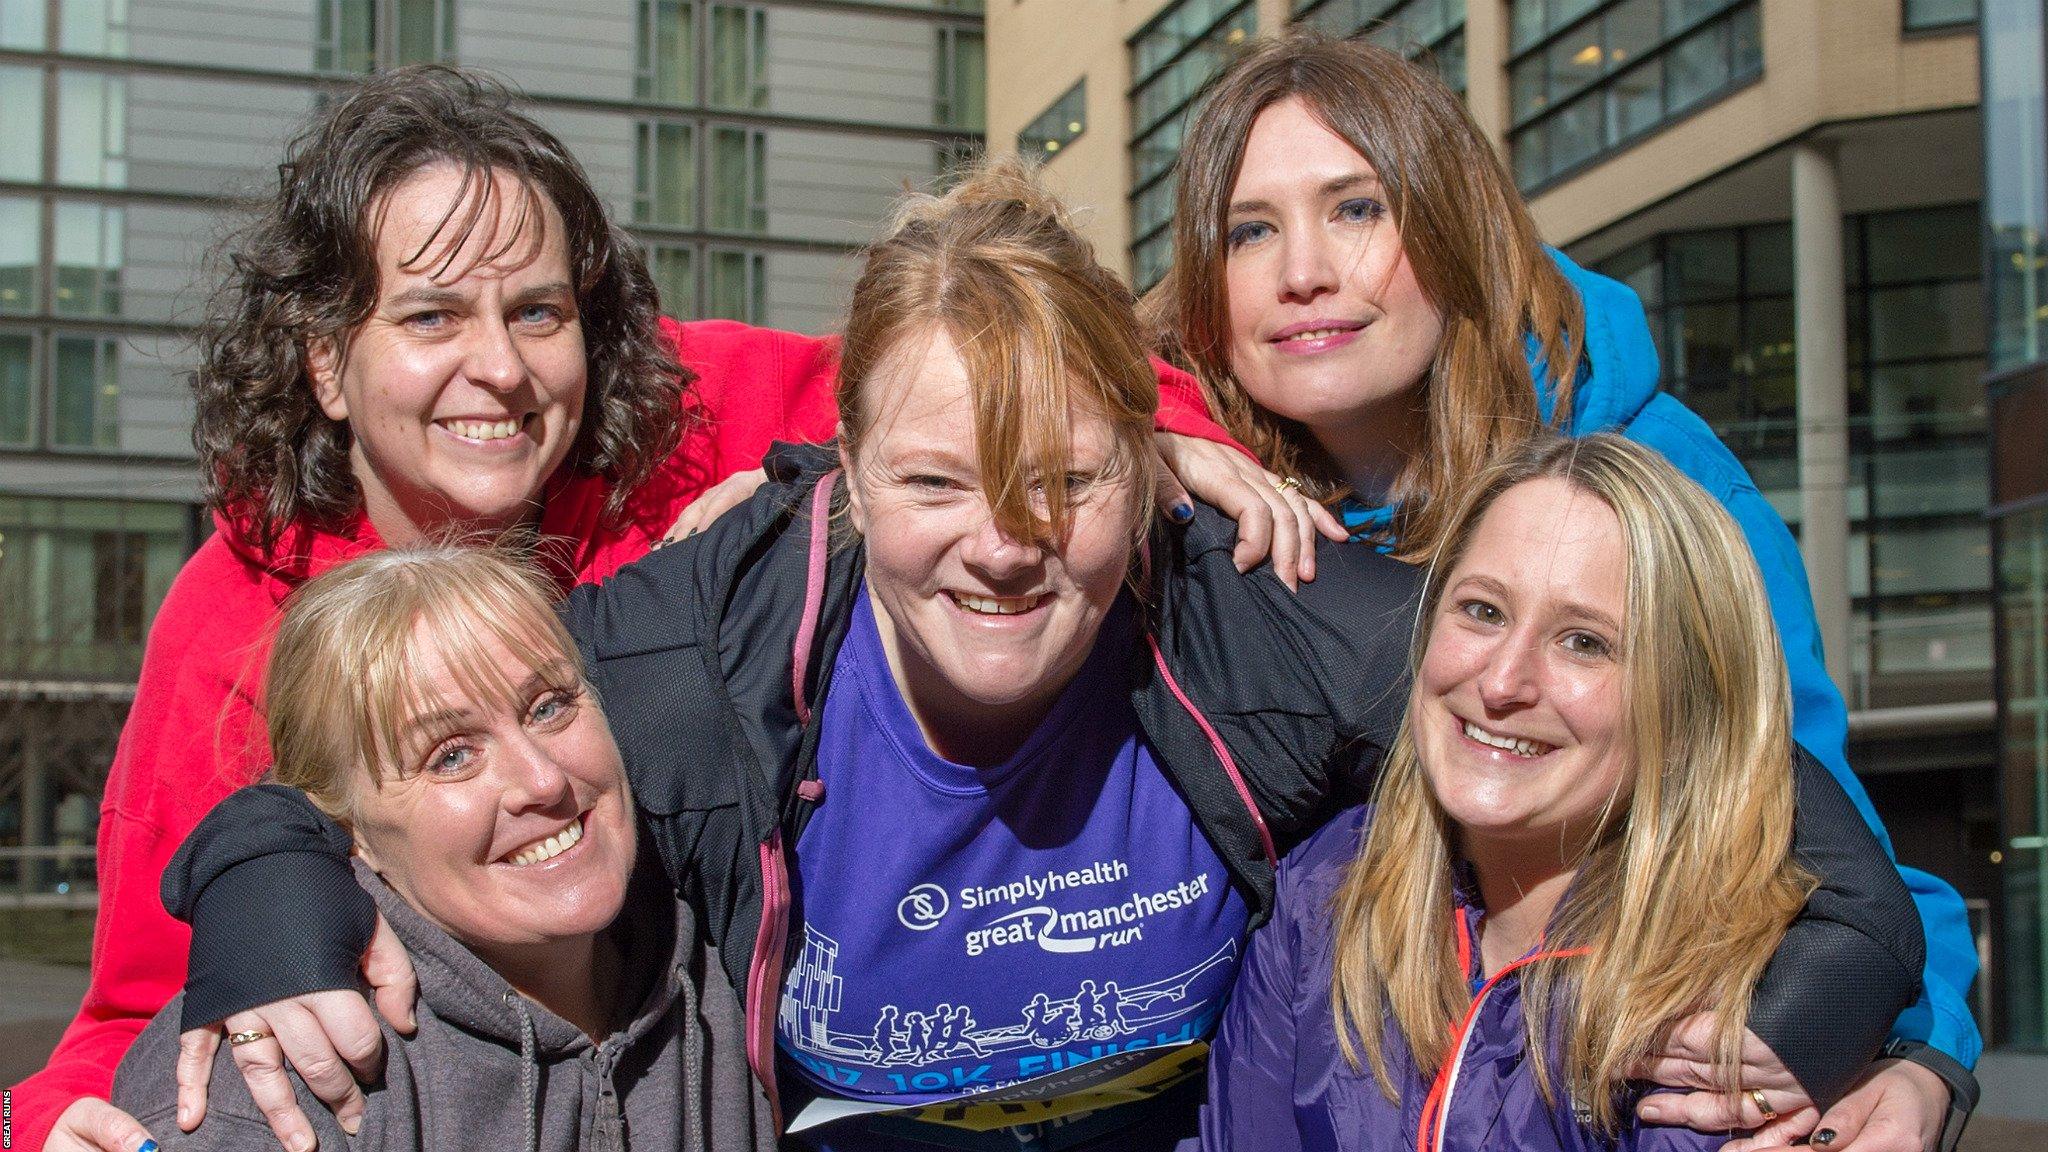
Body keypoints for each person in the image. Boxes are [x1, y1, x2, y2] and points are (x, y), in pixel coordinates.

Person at [167, 162, 1916, 1152]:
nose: (1001, 545)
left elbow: (1723, 784)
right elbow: (390, 771)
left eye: (1062, 481)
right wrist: (260, 917)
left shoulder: (1258, 620)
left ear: (1146, 473)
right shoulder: (692, 669)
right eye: (933, 481)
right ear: (838, 470)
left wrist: (1873, 1051)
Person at [21, 64, 1282, 1152]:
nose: (500, 369)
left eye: (537, 311)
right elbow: (138, 1001)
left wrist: (1152, 434)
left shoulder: (684, 423)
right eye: (428, 317)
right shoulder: (237, 604)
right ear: (322, 362)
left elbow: (975, 356)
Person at [1149, 30, 1980, 1146]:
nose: (1303, 269)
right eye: (1251, 229)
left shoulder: (1656, 488)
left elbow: (1820, 848)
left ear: (1450, 226)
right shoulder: (1173, 476)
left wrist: (1922, 1063)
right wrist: (1134, 435)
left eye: (1356, 209)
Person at [1200, 433, 1920, 1152]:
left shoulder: (1742, 1012)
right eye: (1483, 611)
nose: (1502, 682)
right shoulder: (1322, 894)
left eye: (1586, 642)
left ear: (1688, 702)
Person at [109, 544, 774, 1152]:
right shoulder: (269, 1091)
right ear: (349, 832)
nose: (541, 780)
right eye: (451, 755)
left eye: (548, 707)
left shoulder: (745, 957)